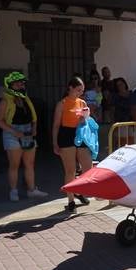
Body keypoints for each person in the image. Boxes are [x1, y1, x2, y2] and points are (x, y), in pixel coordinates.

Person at [0, 72, 48, 202]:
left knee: (29, 163)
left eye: (22, 82)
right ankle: (13, 190)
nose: (21, 85)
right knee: (14, 164)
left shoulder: (25, 99)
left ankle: (31, 190)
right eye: (18, 83)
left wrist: (34, 128)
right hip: (12, 132)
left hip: (28, 132)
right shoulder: (5, 101)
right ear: (11, 85)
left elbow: (33, 116)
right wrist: (14, 132)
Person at [53, 77, 93, 212]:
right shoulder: (62, 103)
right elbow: (56, 125)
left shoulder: (82, 102)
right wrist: (55, 143)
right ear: (70, 88)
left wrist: (85, 118)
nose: (80, 93)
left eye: (82, 90)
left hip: (80, 134)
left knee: (87, 167)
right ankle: (71, 199)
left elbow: (86, 121)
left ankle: (79, 191)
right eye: (78, 90)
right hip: (66, 135)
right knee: (70, 170)